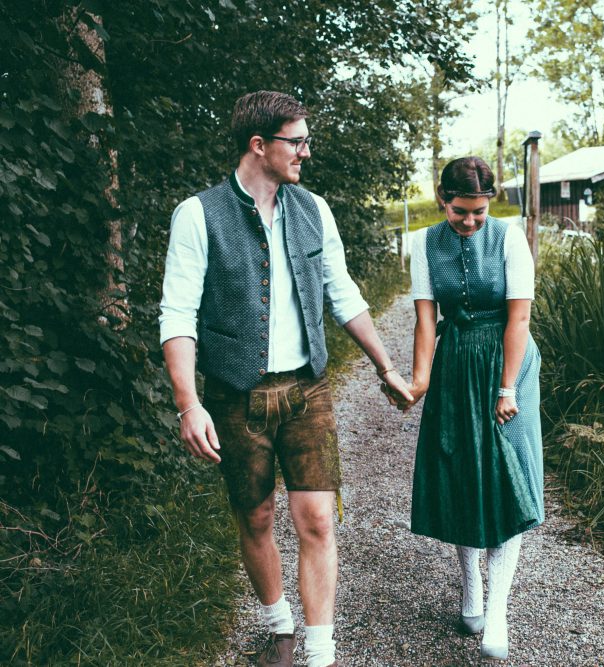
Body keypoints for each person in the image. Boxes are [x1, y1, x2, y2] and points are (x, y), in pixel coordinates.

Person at [159, 90, 412, 667]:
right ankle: (279, 626)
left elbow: (341, 291)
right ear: (259, 145)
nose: (305, 152)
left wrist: (386, 366)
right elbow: (177, 314)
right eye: (296, 142)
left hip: (308, 389)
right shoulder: (198, 214)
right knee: (255, 517)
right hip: (235, 394)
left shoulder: (314, 209)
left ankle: (320, 653)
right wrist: (189, 403)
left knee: (317, 519)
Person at [398, 156, 544, 660]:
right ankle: (471, 587)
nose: (469, 221)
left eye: (479, 212)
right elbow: (425, 321)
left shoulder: (510, 238)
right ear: (443, 199)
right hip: (457, 361)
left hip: (509, 362)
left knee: (506, 477)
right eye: (460, 211)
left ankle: (498, 610)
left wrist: (506, 389)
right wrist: (419, 382)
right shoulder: (423, 243)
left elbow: (519, 318)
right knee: (462, 470)